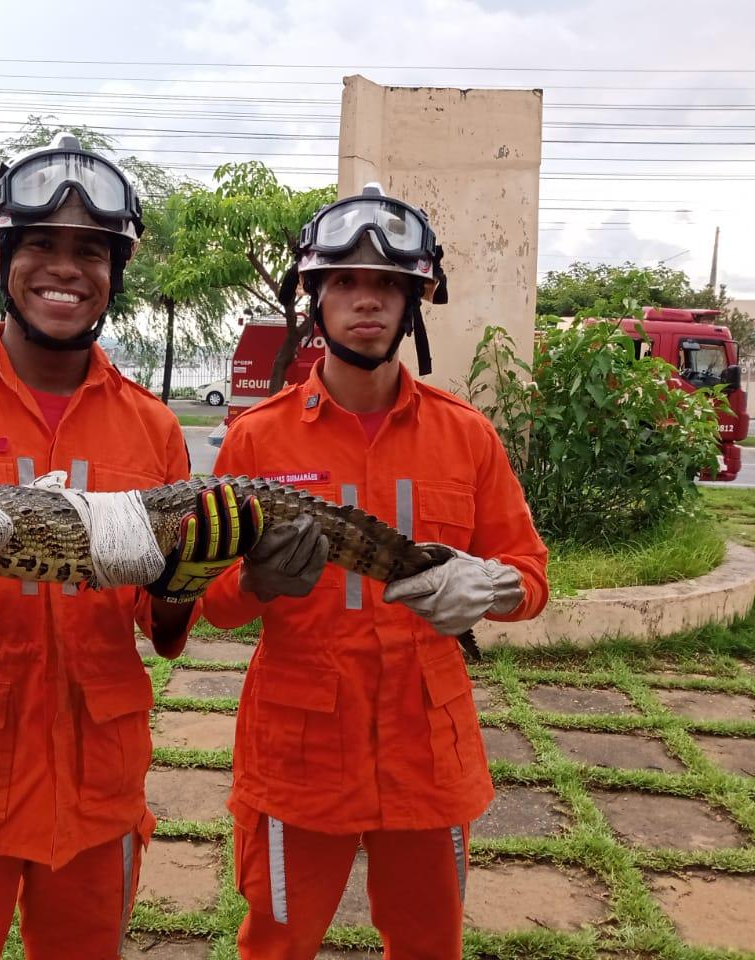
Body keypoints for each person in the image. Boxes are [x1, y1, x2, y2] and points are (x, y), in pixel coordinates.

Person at [0, 134, 260, 960]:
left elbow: (154, 616)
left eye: (90, 251)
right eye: (42, 245)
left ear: (115, 271)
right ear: (0, 254)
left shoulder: (152, 426)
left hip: (96, 787)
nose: (66, 268)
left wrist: (184, 583)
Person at [202, 184, 549, 959]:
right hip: (299, 753)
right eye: (346, 283)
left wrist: (490, 588)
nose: (368, 302)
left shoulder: (466, 437)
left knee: (430, 945)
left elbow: (531, 574)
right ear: (314, 300)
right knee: (276, 943)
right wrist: (254, 583)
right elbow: (209, 607)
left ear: (415, 302)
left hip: (428, 753)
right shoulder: (255, 442)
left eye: (387, 285)